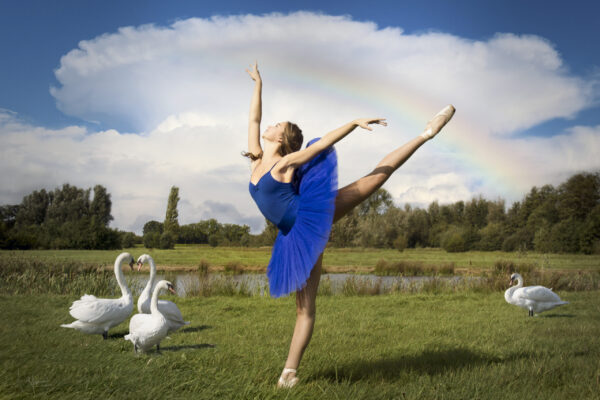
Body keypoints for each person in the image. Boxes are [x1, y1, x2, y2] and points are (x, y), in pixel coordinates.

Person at [244, 62, 454, 388]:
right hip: (292, 236)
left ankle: (426, 134)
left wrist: (353, 124)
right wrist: (258, 83)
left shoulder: (285, 164)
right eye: (273, 122)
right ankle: (290, 374)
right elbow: (254, 119)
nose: (269, 125)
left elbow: (320, 146)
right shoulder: (257, 157)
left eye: (276, 124)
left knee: (372, 180)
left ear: (282, 138)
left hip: (310, 219)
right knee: (303, 307)